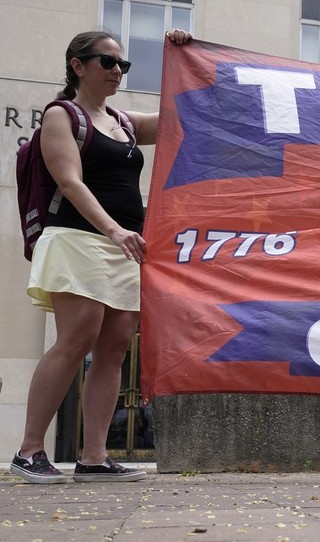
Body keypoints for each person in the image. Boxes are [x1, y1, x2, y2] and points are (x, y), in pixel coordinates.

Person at [10, 29, 192, 484]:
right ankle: (29, 450)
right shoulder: (62, 115)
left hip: (124, 247)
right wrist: (113, 230)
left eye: (122, 64)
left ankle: (94, 457)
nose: (117, 71)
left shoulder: (124, 122)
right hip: (79, 238)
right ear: (78, 65)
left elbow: (182, 117)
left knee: (112, 349)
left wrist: (185, 55)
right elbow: (70, 181)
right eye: (107, 62)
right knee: (77, 337)